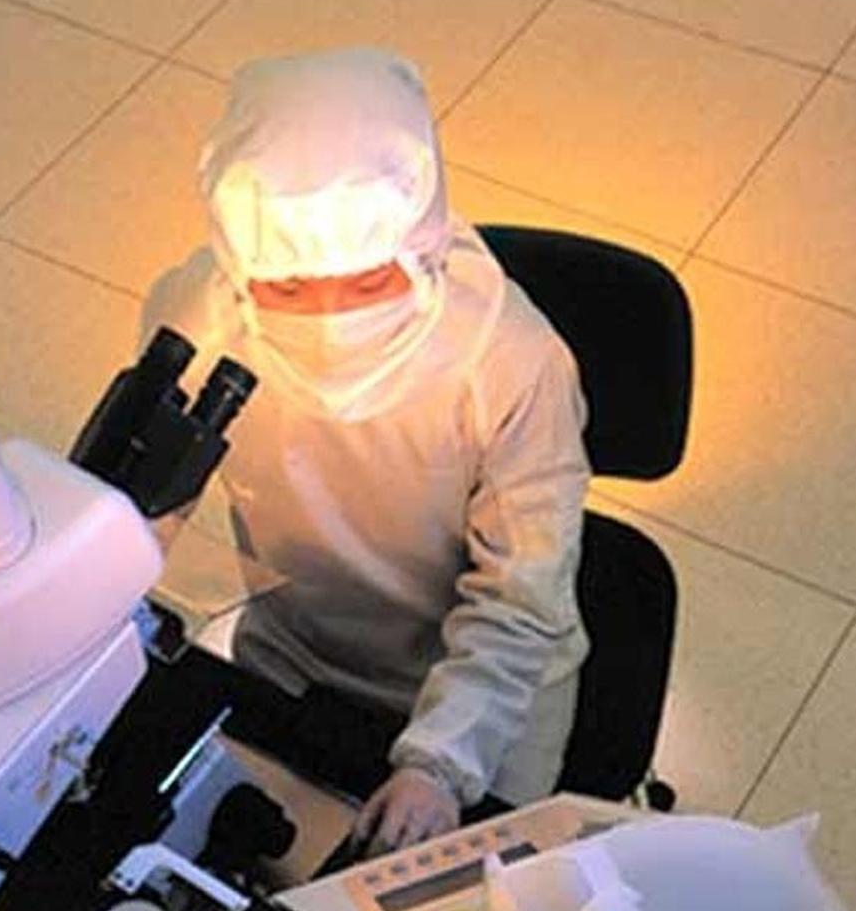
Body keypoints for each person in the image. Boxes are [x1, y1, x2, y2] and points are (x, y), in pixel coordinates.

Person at [140, 47, 590, 854]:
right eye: (288, 288)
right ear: (241, 268)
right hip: (292, 646)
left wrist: (439, 765)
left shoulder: (511, 362)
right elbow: (146, 503)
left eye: (365, 282)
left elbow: (521, 598)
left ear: (422, 240)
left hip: (493, 690)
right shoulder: (201, 317)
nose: (330, 318)